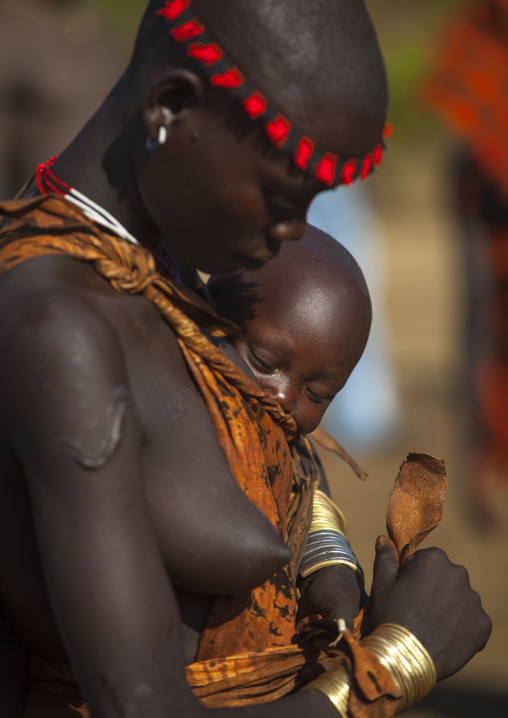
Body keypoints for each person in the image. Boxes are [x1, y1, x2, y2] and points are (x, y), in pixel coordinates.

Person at [0, 1, 490, 717]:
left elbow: (256, 451)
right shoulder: (62, 330)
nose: (294, 231)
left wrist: (326, 554)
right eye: (279, 193)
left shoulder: (161, 275)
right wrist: (396, 660)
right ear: (170, 106)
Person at [208, 225, 372, 630]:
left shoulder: (294, 449)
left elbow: (305, 478)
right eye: (263, 362)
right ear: (206, 325)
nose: (282, 398)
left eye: (317, 394)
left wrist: (330, 566)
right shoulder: (180, 419)